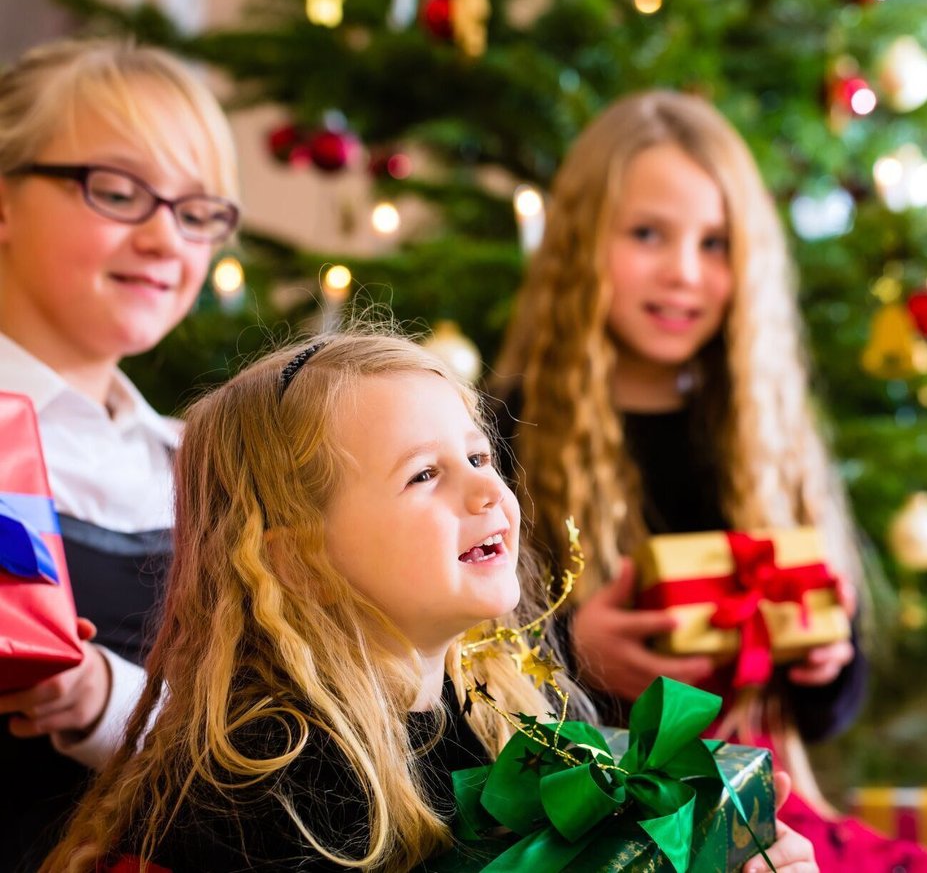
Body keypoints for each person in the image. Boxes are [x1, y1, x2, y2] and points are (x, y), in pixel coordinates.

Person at [44, 332, 819, 873]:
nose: (487, 488)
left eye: (479, 455)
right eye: (424, 474)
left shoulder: (511, 722)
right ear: (299, 560)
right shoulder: (266, 785)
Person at [491, 90, 927, 872]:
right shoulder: (504, 435)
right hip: (601, 827)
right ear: (579, 243)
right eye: (647, 234)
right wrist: (574, 651)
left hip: (768, 811)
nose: (683, 273)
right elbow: (462, 673)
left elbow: (830, 707)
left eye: (715, 243)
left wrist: (826, 659)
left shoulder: (764, 429)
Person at [0, 38, 240, 871]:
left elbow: (253, 738)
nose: (166, 238)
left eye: (197, 211)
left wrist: (104, 698)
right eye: (118, 191)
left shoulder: (195, 465)